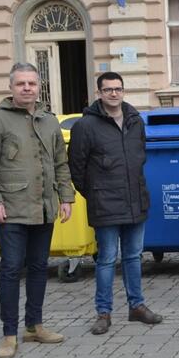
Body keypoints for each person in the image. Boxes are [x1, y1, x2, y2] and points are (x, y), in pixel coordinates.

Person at [0, 63, 74, 358]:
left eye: (32, 83)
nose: (27, 88)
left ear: (38, 86)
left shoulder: (49, 121)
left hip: (43, 207)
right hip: (11, 210)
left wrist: (65, 198)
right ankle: (8, 334)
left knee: (40, 268)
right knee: (12, 270)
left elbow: (60, 163)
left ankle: (34, 325)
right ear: (11, 87)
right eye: (21, 84)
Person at [68, 72, 162, 335]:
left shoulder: (135, 121)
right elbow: (76, 168)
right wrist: (95, 193)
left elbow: (139, 157)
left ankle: (137, 306)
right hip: (105, 202)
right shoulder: (85, 126)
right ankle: (104, 312)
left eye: (117, 89)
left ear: (123, 91)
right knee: (107, 259)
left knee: (133, 256)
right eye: (107, 89)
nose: (113, 94)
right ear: (98, 93)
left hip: (135, 200)